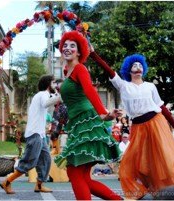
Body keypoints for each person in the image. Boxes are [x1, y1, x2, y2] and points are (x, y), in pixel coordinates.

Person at [89, 47, 174, 199]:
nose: (138, 67)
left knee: (163, 160)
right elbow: (109, 70)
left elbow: (161, 106)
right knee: (130, 164)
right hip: (137, 127)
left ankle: (166, 192)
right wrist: (92, 53)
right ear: (129, 70)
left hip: (156, 124)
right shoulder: (124, 86)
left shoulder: (150, 86)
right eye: (135, 65)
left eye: (140, 65)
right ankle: (140, 194)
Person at [54, 31, 122, 200]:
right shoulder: (67, 72)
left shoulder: (80, 68)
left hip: (87, 122)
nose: (68, 48)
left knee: (75, 172)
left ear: (79, 52)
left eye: (73, 46)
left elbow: (90, 91)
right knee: (82, 177)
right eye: (65, 45)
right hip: (78, 124)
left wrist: (103, 114)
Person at [0, 74, 61, 194]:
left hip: (40, 135)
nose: (56, 85)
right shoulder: (42, 94)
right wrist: (60, 96)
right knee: (29, 161)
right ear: (48, 84)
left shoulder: (45, 95)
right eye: (54, 83)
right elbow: (46, 103)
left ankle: (39, 185)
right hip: (35, 134)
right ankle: (7, 181)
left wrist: (60, 94)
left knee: (46, 159)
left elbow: (54, 98)